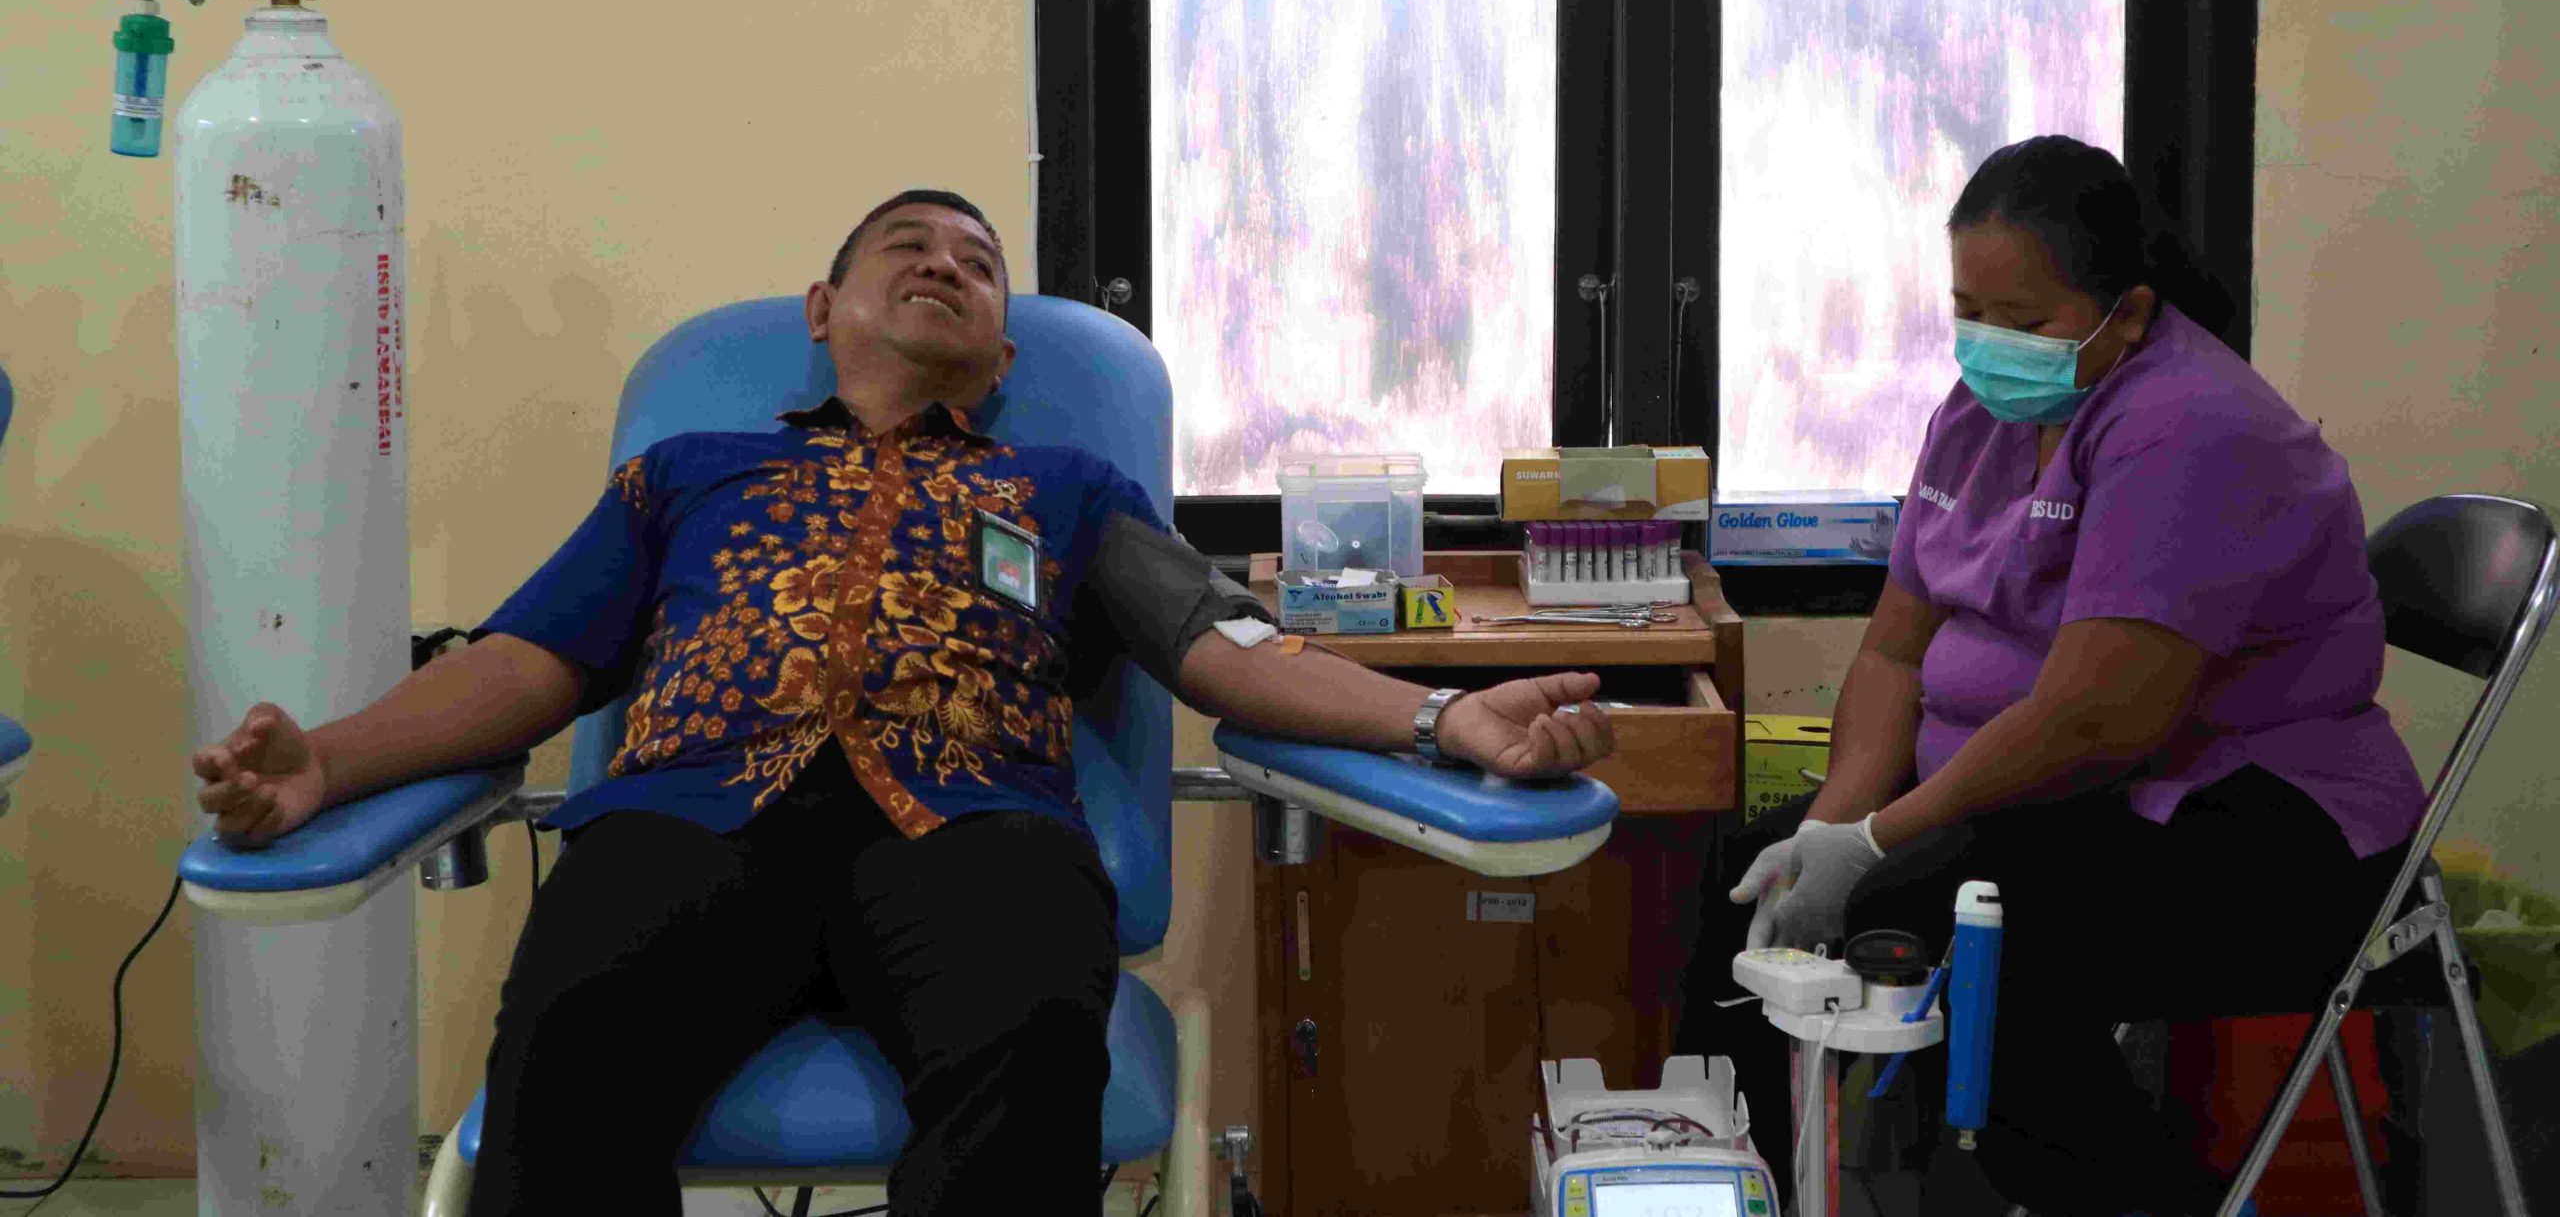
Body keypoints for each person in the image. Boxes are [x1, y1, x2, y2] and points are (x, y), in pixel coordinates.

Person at [191, 189, 1619, 1216]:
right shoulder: (685, 474)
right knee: (565, 1072)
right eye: (908, 248)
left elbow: (1226, 645)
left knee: (1027, 1073)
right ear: (824, 311)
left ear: (1003, 353)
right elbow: (526, 662)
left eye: (977, 265)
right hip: (687, 820)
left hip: (976, 830)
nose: (946, 264)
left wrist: (1442, 721)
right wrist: (328, 762)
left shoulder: (1068, 489)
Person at [1676, 137, 2426, 1217]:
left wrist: (1877, 844)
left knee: (1982, 947)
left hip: (2262, 828)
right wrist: (1831, 830)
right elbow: (1894, 649)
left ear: (2126, 312)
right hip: (2056, 798)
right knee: (1750, 888)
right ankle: (1724, 1191)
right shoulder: (1979, 415)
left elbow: (2094, 720)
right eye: (1966, 310)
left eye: (2022, 321)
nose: (1987, 344)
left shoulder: (2190, 427)